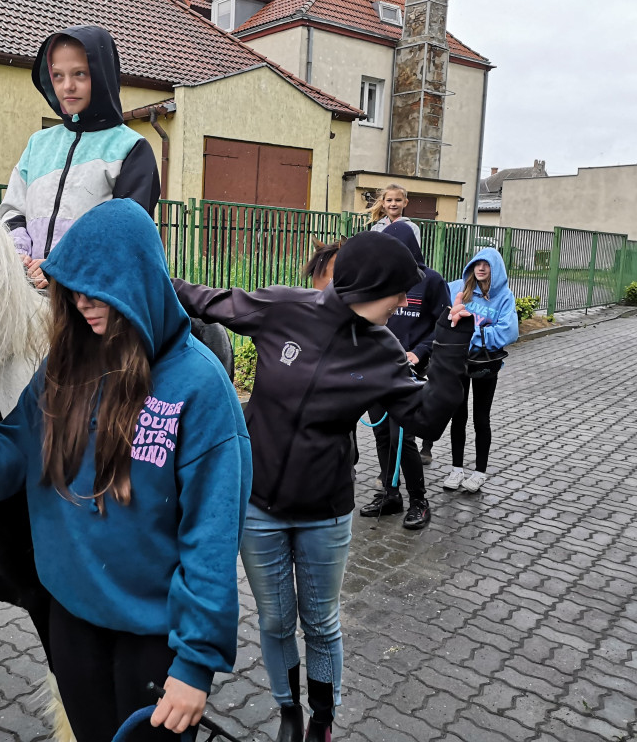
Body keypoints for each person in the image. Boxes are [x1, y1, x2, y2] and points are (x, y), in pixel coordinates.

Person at [0, 199, 251, 742]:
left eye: (97, 288)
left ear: (139, 280)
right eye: (71, 289)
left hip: (153, 635)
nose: (82, 303)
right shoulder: (64, 367)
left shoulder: (198, 389)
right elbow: (7, 453)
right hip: (72, 619)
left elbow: (212, 538)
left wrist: (194, 665)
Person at [172, 231, 475, 742]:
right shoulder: (283, 307)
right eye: (399, 291)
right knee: (273, 622)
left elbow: (425, 418)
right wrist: (137, 274)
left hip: (325, 514)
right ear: (371, 285)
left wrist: (452, 342)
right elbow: (203, 299)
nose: (405, 302)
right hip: (258, 509)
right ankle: (288, 712)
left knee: (320, 622)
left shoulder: (383, 350)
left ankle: (322, 721)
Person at [0, 25, 161, 289]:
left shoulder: (132, 148)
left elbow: (126, 237)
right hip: (29, 297)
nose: (67, 86)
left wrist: (60, 268)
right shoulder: (38, 144)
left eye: (80, 74)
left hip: (93, 304)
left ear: (101, 74)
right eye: (58, 76)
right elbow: (13, 211)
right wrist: (19, 255)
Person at [358, 222, 450, 530]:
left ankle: (419, 501)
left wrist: (419, 352)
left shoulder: (432, 280)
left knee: (403, 437)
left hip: (409, 371)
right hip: (377, 369)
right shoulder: (379, 280)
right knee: (383, 434)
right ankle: (390, 493)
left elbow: (441, 325)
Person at [440, 247, 519, 493]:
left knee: (481, 418)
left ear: (496, 269)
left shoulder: (505, 296)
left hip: (486, 364)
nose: (481, 268)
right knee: (458, 415)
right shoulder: (458, 289)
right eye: (477, 263)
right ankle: (456, 469)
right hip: (459, 361)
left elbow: (510, 331)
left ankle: (479, 472)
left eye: (487, 264)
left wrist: (472, 334)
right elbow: (443, 316)